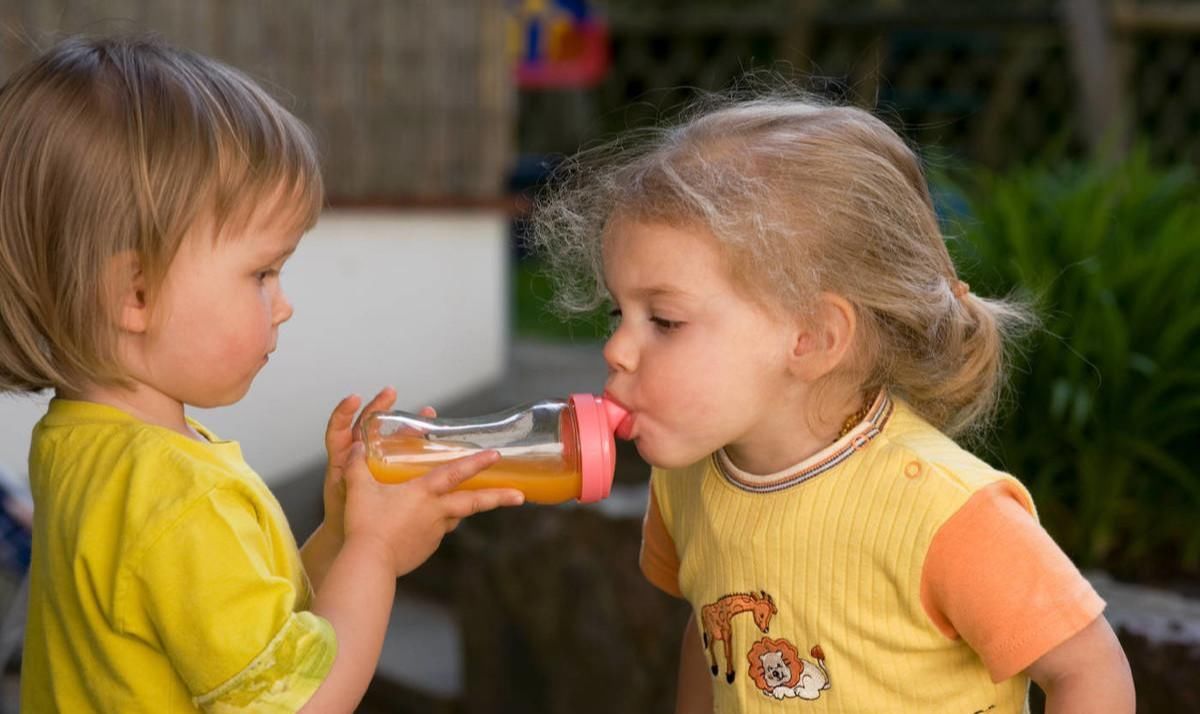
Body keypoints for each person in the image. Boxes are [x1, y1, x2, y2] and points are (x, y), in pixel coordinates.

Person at [530, 95, 1134, 712]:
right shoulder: (686, 481)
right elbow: (714, 639)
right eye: (619, 312)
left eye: (664, 320)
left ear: (813, 338)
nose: (617, 349)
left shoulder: (943, 509)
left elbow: (1088, 668)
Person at [0, 35, 523, 712]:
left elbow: (238, 640)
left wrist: (337, 535)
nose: (284, 304)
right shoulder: (181, 496)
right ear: (135, 292)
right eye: (262, 273)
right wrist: (374, 553)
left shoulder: (77, 443)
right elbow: (301, 703)